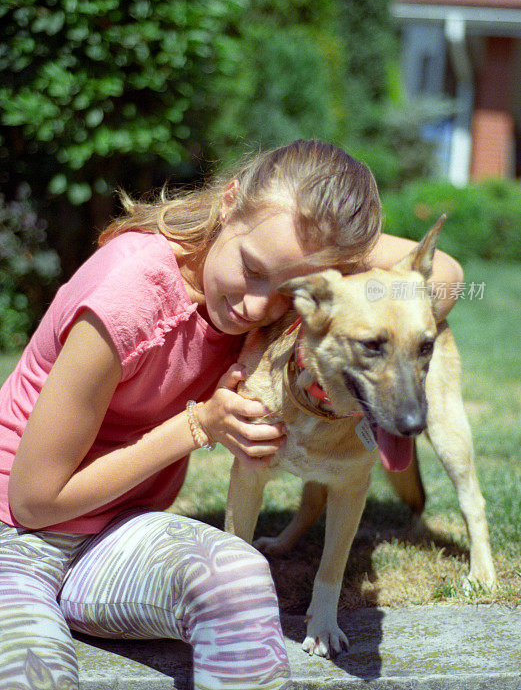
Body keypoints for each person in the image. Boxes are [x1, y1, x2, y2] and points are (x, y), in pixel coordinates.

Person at [0, 139, 463, 690]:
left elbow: (446, 276)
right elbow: (33, 502)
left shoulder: (275, 282)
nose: (255, 308)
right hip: (17, 538)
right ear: (230, 203)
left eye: (287, 291)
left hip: (116, 533)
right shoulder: (128, 294)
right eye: (252, 268)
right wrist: (197, 426)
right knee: (33, 676)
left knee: (242, 575)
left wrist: (344, 276)